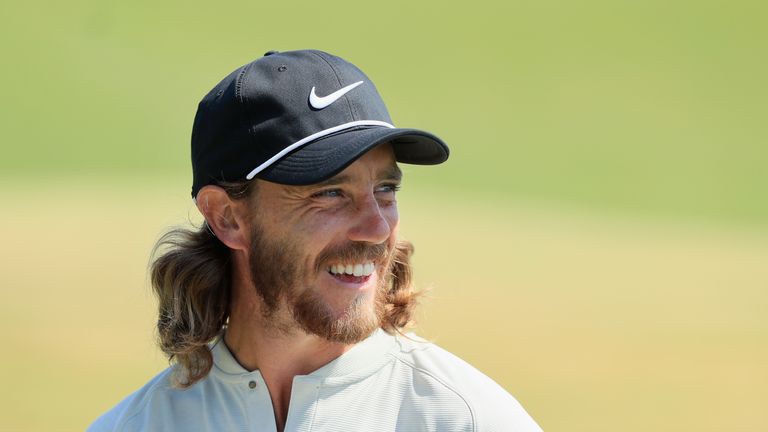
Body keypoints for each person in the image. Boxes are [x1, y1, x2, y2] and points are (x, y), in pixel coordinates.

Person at [89, 49, 542, 432]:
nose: (378, 228)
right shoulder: (134, 425)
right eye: (330, 193)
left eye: (386, 189)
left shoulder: (469, 419)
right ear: (228, 218)